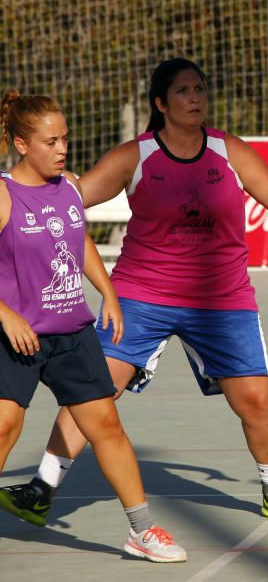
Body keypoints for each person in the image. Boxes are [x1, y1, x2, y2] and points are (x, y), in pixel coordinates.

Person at [0, 59, 268, 526]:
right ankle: (41, 488)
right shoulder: (137, 154)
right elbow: (74, 197)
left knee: (257, 398)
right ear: (161, 104)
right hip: (142, 294)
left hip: (220, 297)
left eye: (200, 89)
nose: (195, 98)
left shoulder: (227, 150)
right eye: (184, 91)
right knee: (97, 390)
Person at [0, 91, 186, 562]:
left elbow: (78, 241)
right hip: (15, 334)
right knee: (4, 426)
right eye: (50, 141)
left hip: (72, 332)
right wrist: (6, 314)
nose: (62, 149)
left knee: (107, 427)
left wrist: (108, 291)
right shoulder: (3, 194)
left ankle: (142, 531)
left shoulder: (68, 187)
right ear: (22, 144)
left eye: (64, 138)